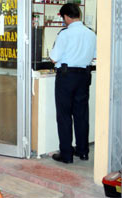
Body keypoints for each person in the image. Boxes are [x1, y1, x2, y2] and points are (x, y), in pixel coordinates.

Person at [49, 3, 96, 164]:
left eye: (63, 18)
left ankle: (66, 154)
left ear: (66, 17)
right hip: (84, 76)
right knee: (81, 115)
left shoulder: (65, 34)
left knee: (64, 116)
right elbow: (95, 55)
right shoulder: (91, 33)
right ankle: (83, 152)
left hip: (67, 77)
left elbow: (54, 57)